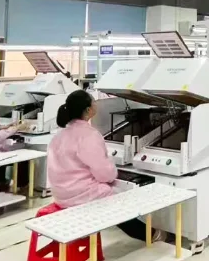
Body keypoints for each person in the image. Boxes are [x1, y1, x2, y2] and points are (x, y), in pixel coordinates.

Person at [47, 90, 164, 241]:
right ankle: (151, 234)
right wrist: (113, 170)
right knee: (121, 199)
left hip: (60, 194)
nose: (96, 104)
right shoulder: (88, 135)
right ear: (88, 110)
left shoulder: (59, 135)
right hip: (80, 196)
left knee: (116, 191)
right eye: (94, 102)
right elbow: (105, 175)